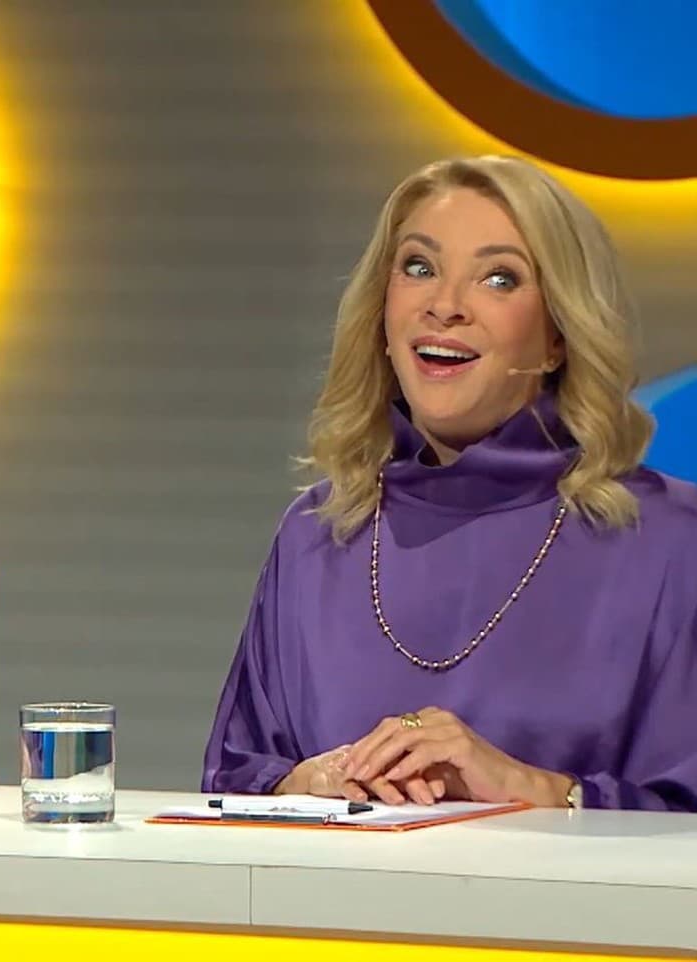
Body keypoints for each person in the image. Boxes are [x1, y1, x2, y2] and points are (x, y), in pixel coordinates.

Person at [203, 155, 697, 811]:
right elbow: (236, 782)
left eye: (498, 278)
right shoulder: (318, 535)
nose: (444, 306)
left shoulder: (671, 542)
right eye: (419, 267)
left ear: (557, 337)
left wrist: (536, 791)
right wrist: (308, 786)